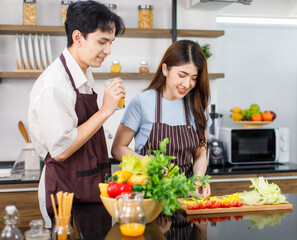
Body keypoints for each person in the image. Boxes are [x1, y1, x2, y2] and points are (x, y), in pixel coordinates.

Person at [28, 0, 125, 228]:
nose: (108, 51)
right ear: (78, 37)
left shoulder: (83, 74)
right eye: (102, 42)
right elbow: (61, 150)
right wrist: (105, 111)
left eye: (111, 42)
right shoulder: (55, 85)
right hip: (66, 194)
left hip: (90, 188)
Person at [111, 40, 211, 197]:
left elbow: (200, 155)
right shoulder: (142, 102)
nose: (187, 83)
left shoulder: (197, 106)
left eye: (194, 77)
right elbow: (117, 148)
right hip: (149, 195)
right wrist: (148, 164)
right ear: (165, 69)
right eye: (182, 75)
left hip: (185, 197)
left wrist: (198, 181)